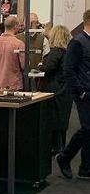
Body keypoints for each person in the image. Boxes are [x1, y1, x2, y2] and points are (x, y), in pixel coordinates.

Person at [56, 10, 90, 180]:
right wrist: (80, 91)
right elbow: (69, 70)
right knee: (87, 128)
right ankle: (64, 157)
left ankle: (85, 168)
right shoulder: (77, 42)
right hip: (83, 93)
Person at [38, 25, 72, 154]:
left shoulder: (55, 52)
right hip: (65, 90)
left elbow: (48, 68)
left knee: (53, 120)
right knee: (62, 120)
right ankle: (61, 146)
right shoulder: (68, 52)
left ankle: (55, 147)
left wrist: (40, 66)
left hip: (54, 90)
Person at [0, 15, 25, 90]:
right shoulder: (19, 44)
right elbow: (24, 65)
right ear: (15, 26)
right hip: (14, 85)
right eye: (19, 26)